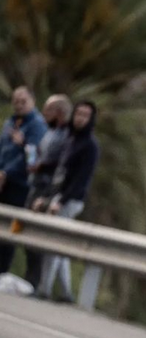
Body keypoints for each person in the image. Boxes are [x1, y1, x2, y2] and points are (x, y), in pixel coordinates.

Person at [38, 100, 100, 302]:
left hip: (70, 200)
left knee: (54, 244)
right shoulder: (71, 139)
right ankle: (66, 293)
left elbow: (81, 179)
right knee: (60, 245)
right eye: (78, 114)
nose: (80, 118)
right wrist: (46, 195)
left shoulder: (90, 146)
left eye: (85, 115)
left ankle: (44, 289)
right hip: (58, 196)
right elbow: (59, 169)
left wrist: (61, 201)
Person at [24, 94, 72, 289]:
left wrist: (42, 167)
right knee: (25, 232)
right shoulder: (52, 131)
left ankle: (36, 282)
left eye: (48, 110)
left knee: (39, 237)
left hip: (46, 190)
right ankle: (32, 279)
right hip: (36, 185)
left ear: (59, 112)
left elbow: (60, 165)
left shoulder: (67, 136)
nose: (44, 113)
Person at [0, 86, 47, 274]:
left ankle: (3, 271)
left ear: (32, 101)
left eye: (23, 102)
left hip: (21, 186)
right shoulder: (10, 123)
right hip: (4, 182)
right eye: (16, 101)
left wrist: (23, 144)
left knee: (12, 231)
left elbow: (32, 159)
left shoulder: (37, 125)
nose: (18, 105)